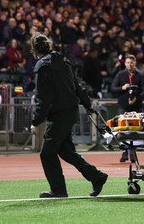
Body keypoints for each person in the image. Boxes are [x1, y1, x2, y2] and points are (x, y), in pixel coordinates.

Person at [29, 32, 108, 198]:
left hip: (58, 115)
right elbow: (78, 86)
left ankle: (58, 190)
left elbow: (44, 99)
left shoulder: (42, 67)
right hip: (70, 111)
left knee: (47, 153)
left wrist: (35, 121)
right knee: (65, 152)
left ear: (34, 49)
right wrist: (87, 104)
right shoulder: (65, 60)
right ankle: (97, 177)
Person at [111, 54, 144, 162]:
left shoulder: (140, 76)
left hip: (136, 107)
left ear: (135, 63)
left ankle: (133, 152)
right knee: (122, 128)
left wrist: (137, 98)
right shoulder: (120, 75)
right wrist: (122, 88)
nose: (130, 64)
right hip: (123, 105)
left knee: (135, 130)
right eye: (128, 62)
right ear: (125, 63)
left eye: (131, 62)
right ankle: (124, 151)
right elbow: (112, 88)